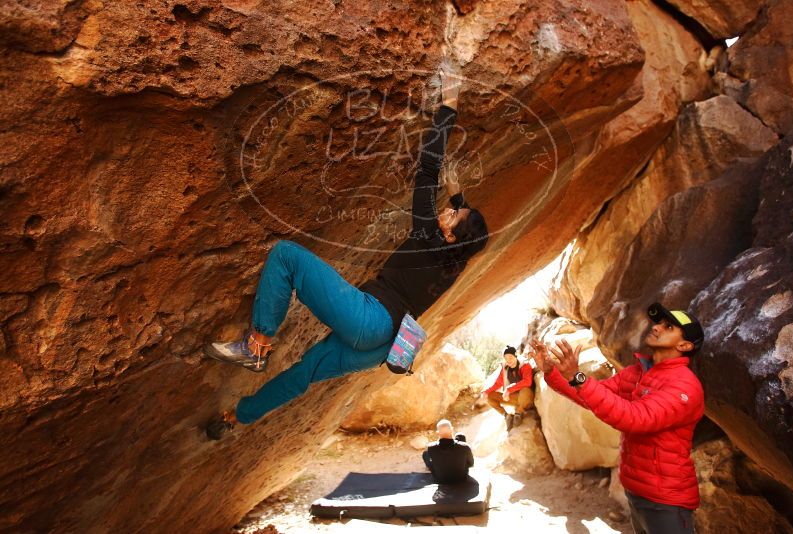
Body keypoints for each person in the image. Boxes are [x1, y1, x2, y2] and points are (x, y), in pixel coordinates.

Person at [204, 69, 489, 439]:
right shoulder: (456, 261)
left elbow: (428, 166)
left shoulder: (426, 233)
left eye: (451, 215)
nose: (443, 212)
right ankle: (235, 418)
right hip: (379, 348)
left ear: (449, 233)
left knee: (286, 255)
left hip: (369, 319)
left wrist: (449, 105)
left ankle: (256, 345)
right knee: (304, 373)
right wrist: (458, 200)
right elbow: (468, 233)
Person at [530, 303, 705, 534]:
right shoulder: (637, 372)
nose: (657, 328)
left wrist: (577, 376)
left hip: (667, 501)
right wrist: (552, 372)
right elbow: (590, 396)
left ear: (684, 345)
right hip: (636, 492)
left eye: (668, 326)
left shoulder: (685, 386)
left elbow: (635, 418)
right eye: (659, 323)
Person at [482, 345, 534, 431]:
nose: (508, 360)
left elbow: (528, 382)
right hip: (514, 399)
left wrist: (509, 389)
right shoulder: (505, 368)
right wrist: (486, 392)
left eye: (510, 357)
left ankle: (519, 413)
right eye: (506, 358)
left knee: (525, 390)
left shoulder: (525, 365)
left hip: (527, 398)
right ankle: (507, 416)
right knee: (490, 396)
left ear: (515, 356)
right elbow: (498, 383)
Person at [422, 419, 474, 484]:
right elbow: (471, 464)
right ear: (451, 429)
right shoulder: (465, 446)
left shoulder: (430, 447)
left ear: (438, 432)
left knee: (425, 454)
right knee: (461, 436)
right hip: (461, 478)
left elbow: (428, 459)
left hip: (440, 479)